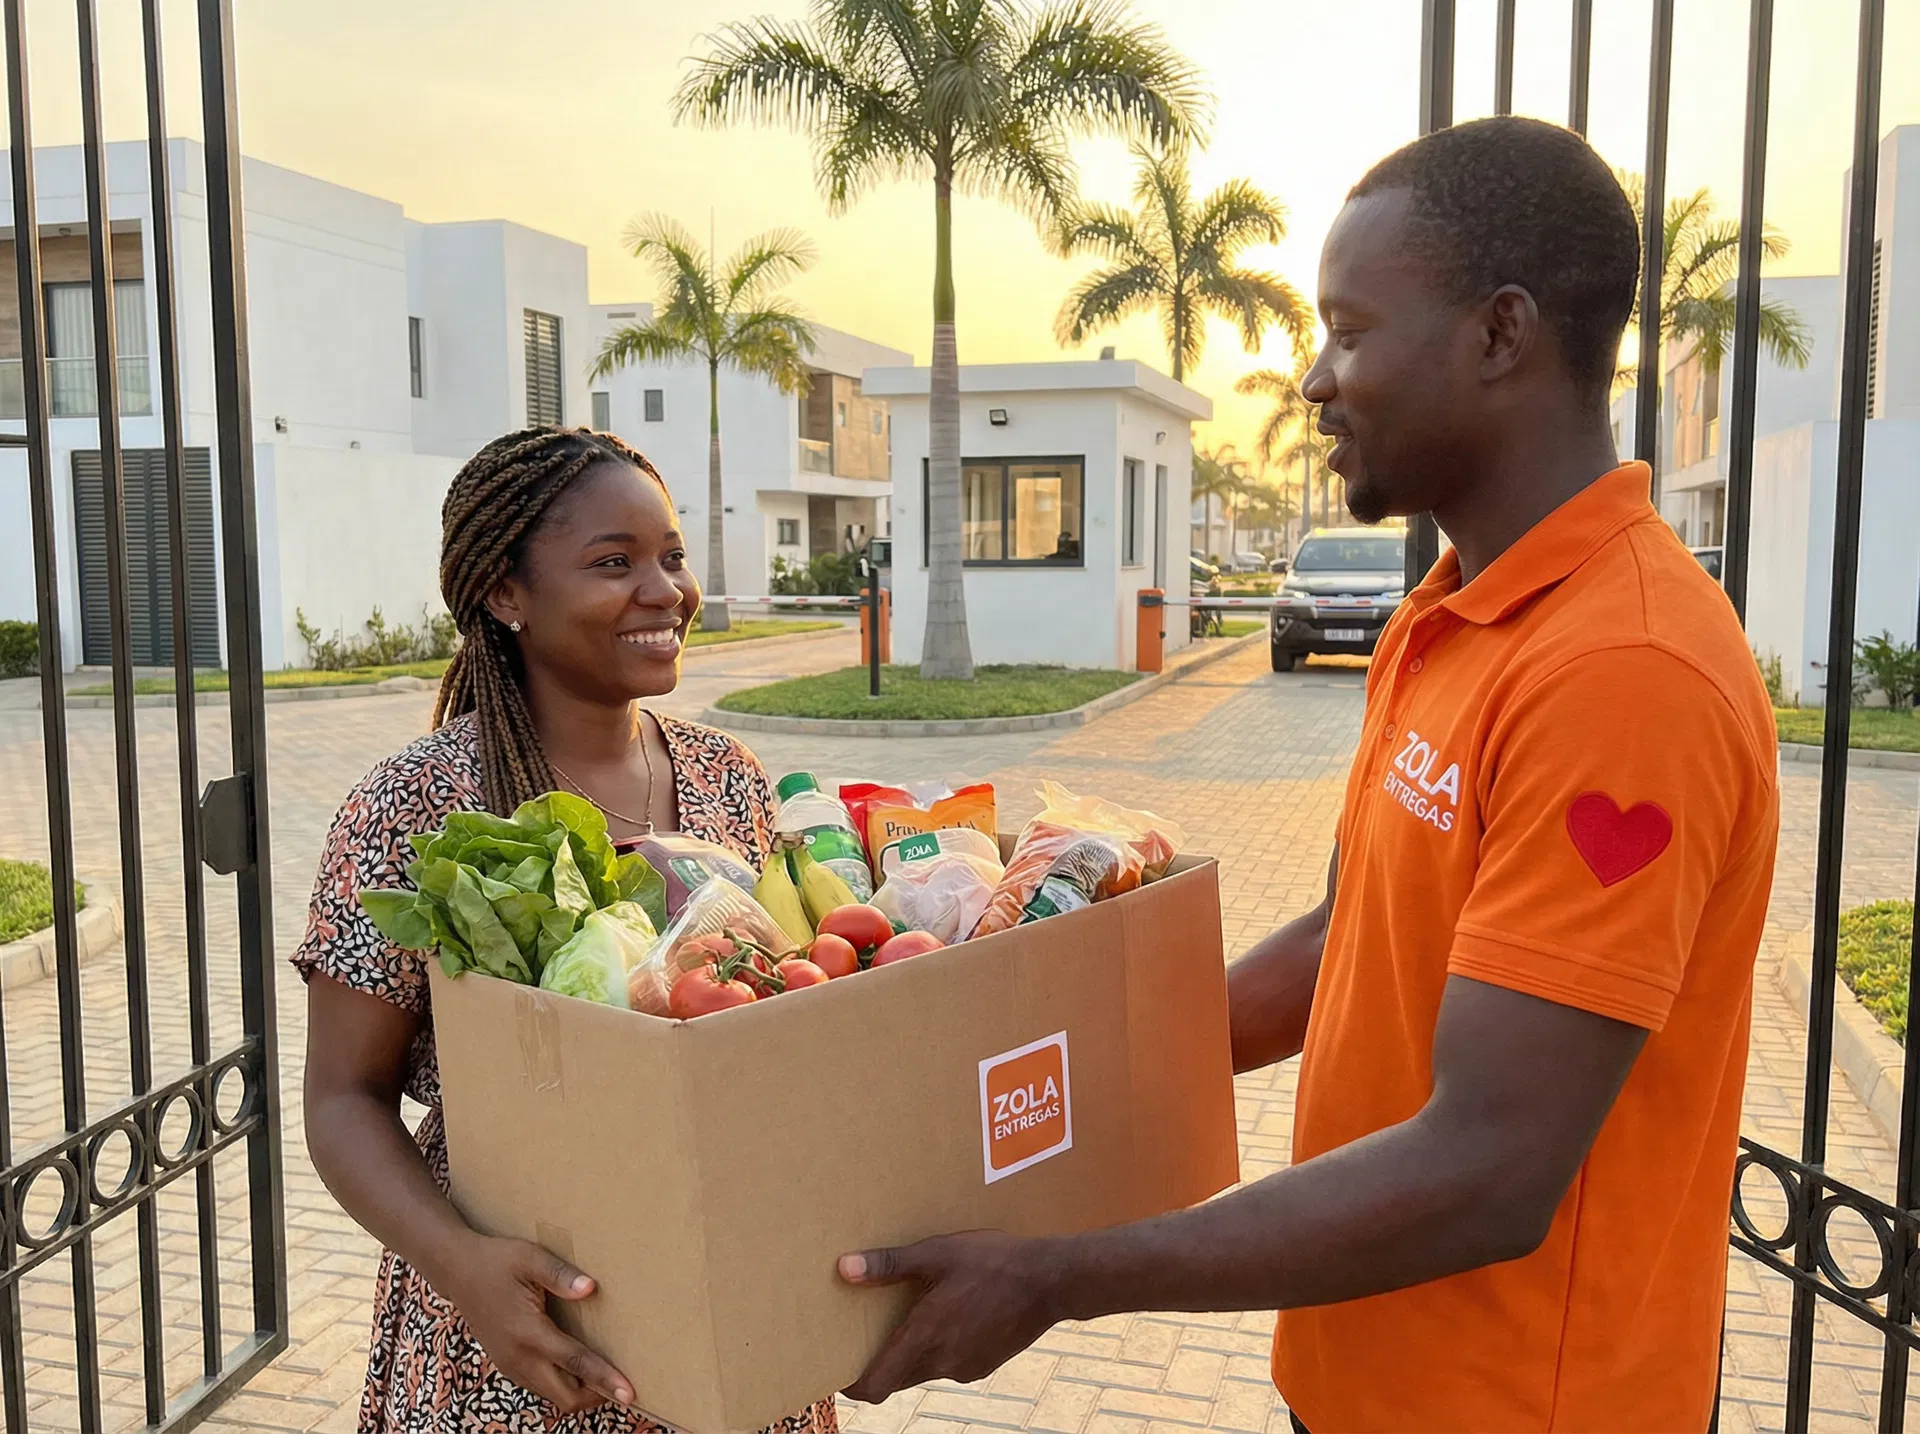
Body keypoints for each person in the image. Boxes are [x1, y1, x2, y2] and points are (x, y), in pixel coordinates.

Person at [832, 117, 1780, 1432]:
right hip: (1358, 1380)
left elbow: (1493, 1166)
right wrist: (1049, 1075)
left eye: (1350, 331)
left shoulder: (1623, 669)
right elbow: (1350, 936)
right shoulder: (1448, 614)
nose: (1316, 382)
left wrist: (1058, 1275)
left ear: (1500, 334)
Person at [296, 426, 838, 1434]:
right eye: (613, 563)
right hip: (522, 1323)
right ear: (507, 594)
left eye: (671, 556)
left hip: (729, 1289)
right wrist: (464, 1268)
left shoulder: (728, 776)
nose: (664, 591)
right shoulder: (417, 804)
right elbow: (342, 1099)